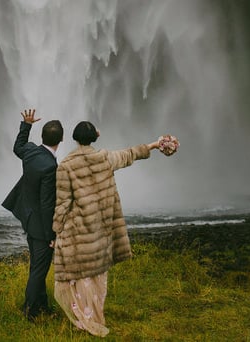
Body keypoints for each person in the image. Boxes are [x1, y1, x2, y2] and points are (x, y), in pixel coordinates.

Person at [51, 120, 167, 337]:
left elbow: (63, 203)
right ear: (95, 137)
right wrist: (152, 146)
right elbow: (129, 154)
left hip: (79, 231)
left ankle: (84, 318)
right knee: (97, 276)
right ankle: (95, 316)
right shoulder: (104, 158)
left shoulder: (65, 166)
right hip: (101, 230)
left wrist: (56, 230)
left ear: (75, 138)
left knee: (80, 275)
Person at [1, 108, 63, 320]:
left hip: (27, 217)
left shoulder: (31, 151)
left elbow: (18, 146)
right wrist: (51, 236)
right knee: (38, 270)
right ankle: (30, 311)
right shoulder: (50, 166)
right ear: (60, 140)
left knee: (38, 266)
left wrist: (26, 125)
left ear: (42, 137)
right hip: (40, 226)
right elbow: (47, 205)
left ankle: (41, 306)